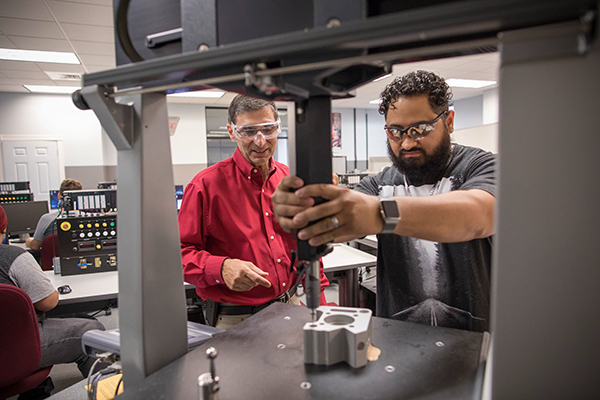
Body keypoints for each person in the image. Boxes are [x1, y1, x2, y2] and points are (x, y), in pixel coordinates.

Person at [272, 70, 496, 332]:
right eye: (395, 132)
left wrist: (380, 214)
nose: (407, 142)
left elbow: (477, 216)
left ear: (449, 120)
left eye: (420, 129)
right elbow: (335, 223)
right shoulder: (381, 183)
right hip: (398, 339)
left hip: (477, 340)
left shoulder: (481, 166)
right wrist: (303, 210)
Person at [179, 94, 328, 329]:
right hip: (236, 319)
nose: (260, 141)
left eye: (268, 129)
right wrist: (220, 267)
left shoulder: (291, 180)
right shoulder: (205, 186)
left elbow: (307, 243)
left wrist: (319, 305)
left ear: (278, 128)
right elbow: (178, 255)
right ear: (232, 132)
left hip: (291, 305)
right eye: (248, 131)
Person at [0, 205, 106, 382]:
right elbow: (47, 302)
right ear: (4, 228)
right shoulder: (12, 256)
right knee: (91, 331)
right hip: (12, 345)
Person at [26, 179, 82, 250]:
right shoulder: (88, 218)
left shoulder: (46, 219)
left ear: (59, 196)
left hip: (51, 261)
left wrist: (29, 242)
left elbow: (35, 246)